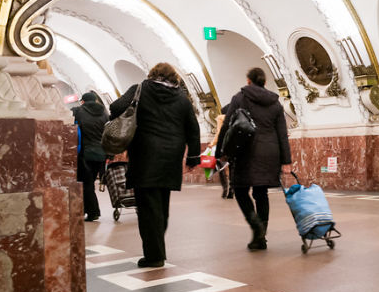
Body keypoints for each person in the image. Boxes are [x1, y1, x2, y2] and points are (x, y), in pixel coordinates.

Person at [110, 63, 201, 268]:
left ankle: (154, 256)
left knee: (148, 208)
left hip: (145, 154)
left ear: (152, 74)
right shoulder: (181, 98)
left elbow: (115, 107)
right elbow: (193, 129)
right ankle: (157, 248)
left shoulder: (140, 89)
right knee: (161, 205)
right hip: (171, 156)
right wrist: (193, 157)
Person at [217, 67, 292, 251]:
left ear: (248, 81)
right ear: (265, 82)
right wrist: (286, 160)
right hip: (270, 152)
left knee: (241, 191)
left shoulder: (239, 98)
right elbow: (282, 134)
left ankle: (256, 225)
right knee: (261, 193)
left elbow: (228, 126)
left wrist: (220, 150)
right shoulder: (275, 103)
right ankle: (261, 237)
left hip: (245, 151)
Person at [72, 91, 108, 222]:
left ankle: (93, 212)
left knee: (86, 184)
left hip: (85, 153)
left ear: (83, 101)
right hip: (101, 154)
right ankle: (85, 210)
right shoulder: (104, 113)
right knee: (89, 182)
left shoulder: (78, 111)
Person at [210, 105, 233, 199]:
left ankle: (225, 189)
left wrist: (212, 143)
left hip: (224, 146)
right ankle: (232, 187)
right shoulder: (235, 117)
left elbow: (219, 133)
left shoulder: (221, 118)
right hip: (234, 146)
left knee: (221, 167)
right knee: (232, 167)